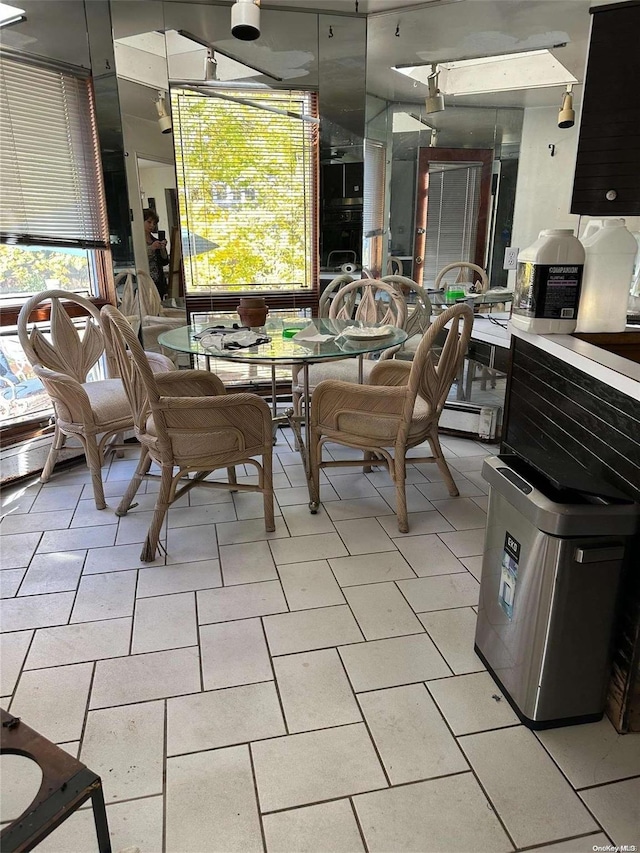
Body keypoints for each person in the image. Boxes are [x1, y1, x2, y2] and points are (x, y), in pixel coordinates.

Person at [143, 208, 169, 298]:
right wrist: (151, 248)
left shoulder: (155, 240)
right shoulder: (137, 241)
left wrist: (162, 249)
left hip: (158, 281)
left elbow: (164, 261)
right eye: (149, 222)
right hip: (144, 281)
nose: (151, 226)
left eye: (154, 223)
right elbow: (139, 258)